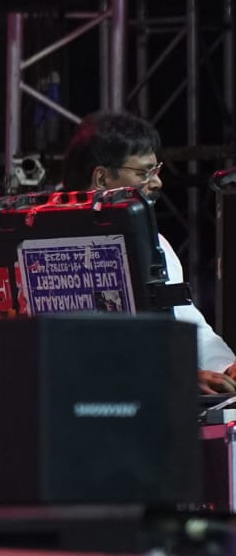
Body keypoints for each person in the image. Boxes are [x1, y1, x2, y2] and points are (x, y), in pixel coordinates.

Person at [60, 109, 236, 393]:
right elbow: (79, 351)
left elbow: (188, 325)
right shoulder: (52, 246)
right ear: (102, 179)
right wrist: (177, 376)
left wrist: (226, 367)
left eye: (157, 170)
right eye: (144, 173)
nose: (157, 182)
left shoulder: (156, 244)